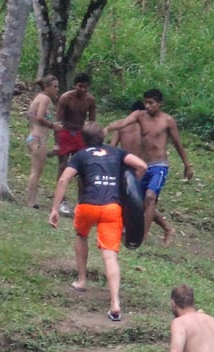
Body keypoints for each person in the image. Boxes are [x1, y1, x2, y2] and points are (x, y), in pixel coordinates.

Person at [49, 122, 147, 322]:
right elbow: (141, 166)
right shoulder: (117, 152)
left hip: (88, 206)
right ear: (103, 135)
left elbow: (63, 180)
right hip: (112, 208)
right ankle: (115, 303)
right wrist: (131, 188)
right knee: (110, 257)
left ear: (83, 139)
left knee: (81, 234)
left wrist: (54, 209)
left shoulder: (81, 155)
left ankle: (82, 280)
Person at [104, 89, 194, 244]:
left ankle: (142, 237)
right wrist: (107, 128)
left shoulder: (167, 121)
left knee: (150, 197)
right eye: (146, 102)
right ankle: (149, 229)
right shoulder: (139, 116)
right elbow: (123, 122)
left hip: (159, 165)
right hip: (143, 166)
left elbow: (178, 144)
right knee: (135, 200)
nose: (147, 106)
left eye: (151, 103)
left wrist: (187, 165)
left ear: (159, 104)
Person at [112, 100, 172, 238]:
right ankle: (125, 227)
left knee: (141, 201)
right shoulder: (122, 128)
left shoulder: (146, 130)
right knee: (129, 199)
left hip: (141, 169)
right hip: (126, 168)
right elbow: (113, 147)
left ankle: (162, 228)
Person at [54, 73, 97, 217]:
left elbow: (92, 123)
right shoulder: (66, 98)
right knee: (63, 165)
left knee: (82, 169)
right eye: (80, 86)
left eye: (85, 87)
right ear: (74, 85)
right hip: (65, 132)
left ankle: (81, 202)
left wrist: (92, 142)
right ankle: (62, 201)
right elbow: (58, 121)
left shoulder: (90, 100)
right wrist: (56, 143)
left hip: (80, 134)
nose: (83, 90)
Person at [26, 75, 61, 209]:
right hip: (39, 138)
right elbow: (40, 117)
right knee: (36, 172)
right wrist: (53, 125)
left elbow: (32, 116)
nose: (57, 89)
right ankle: (31, 201)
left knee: (35, 171)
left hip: (33, 136)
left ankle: (32, 200)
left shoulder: (38, 98)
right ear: (47, 87)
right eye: (55, 86)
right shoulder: (45, 99)